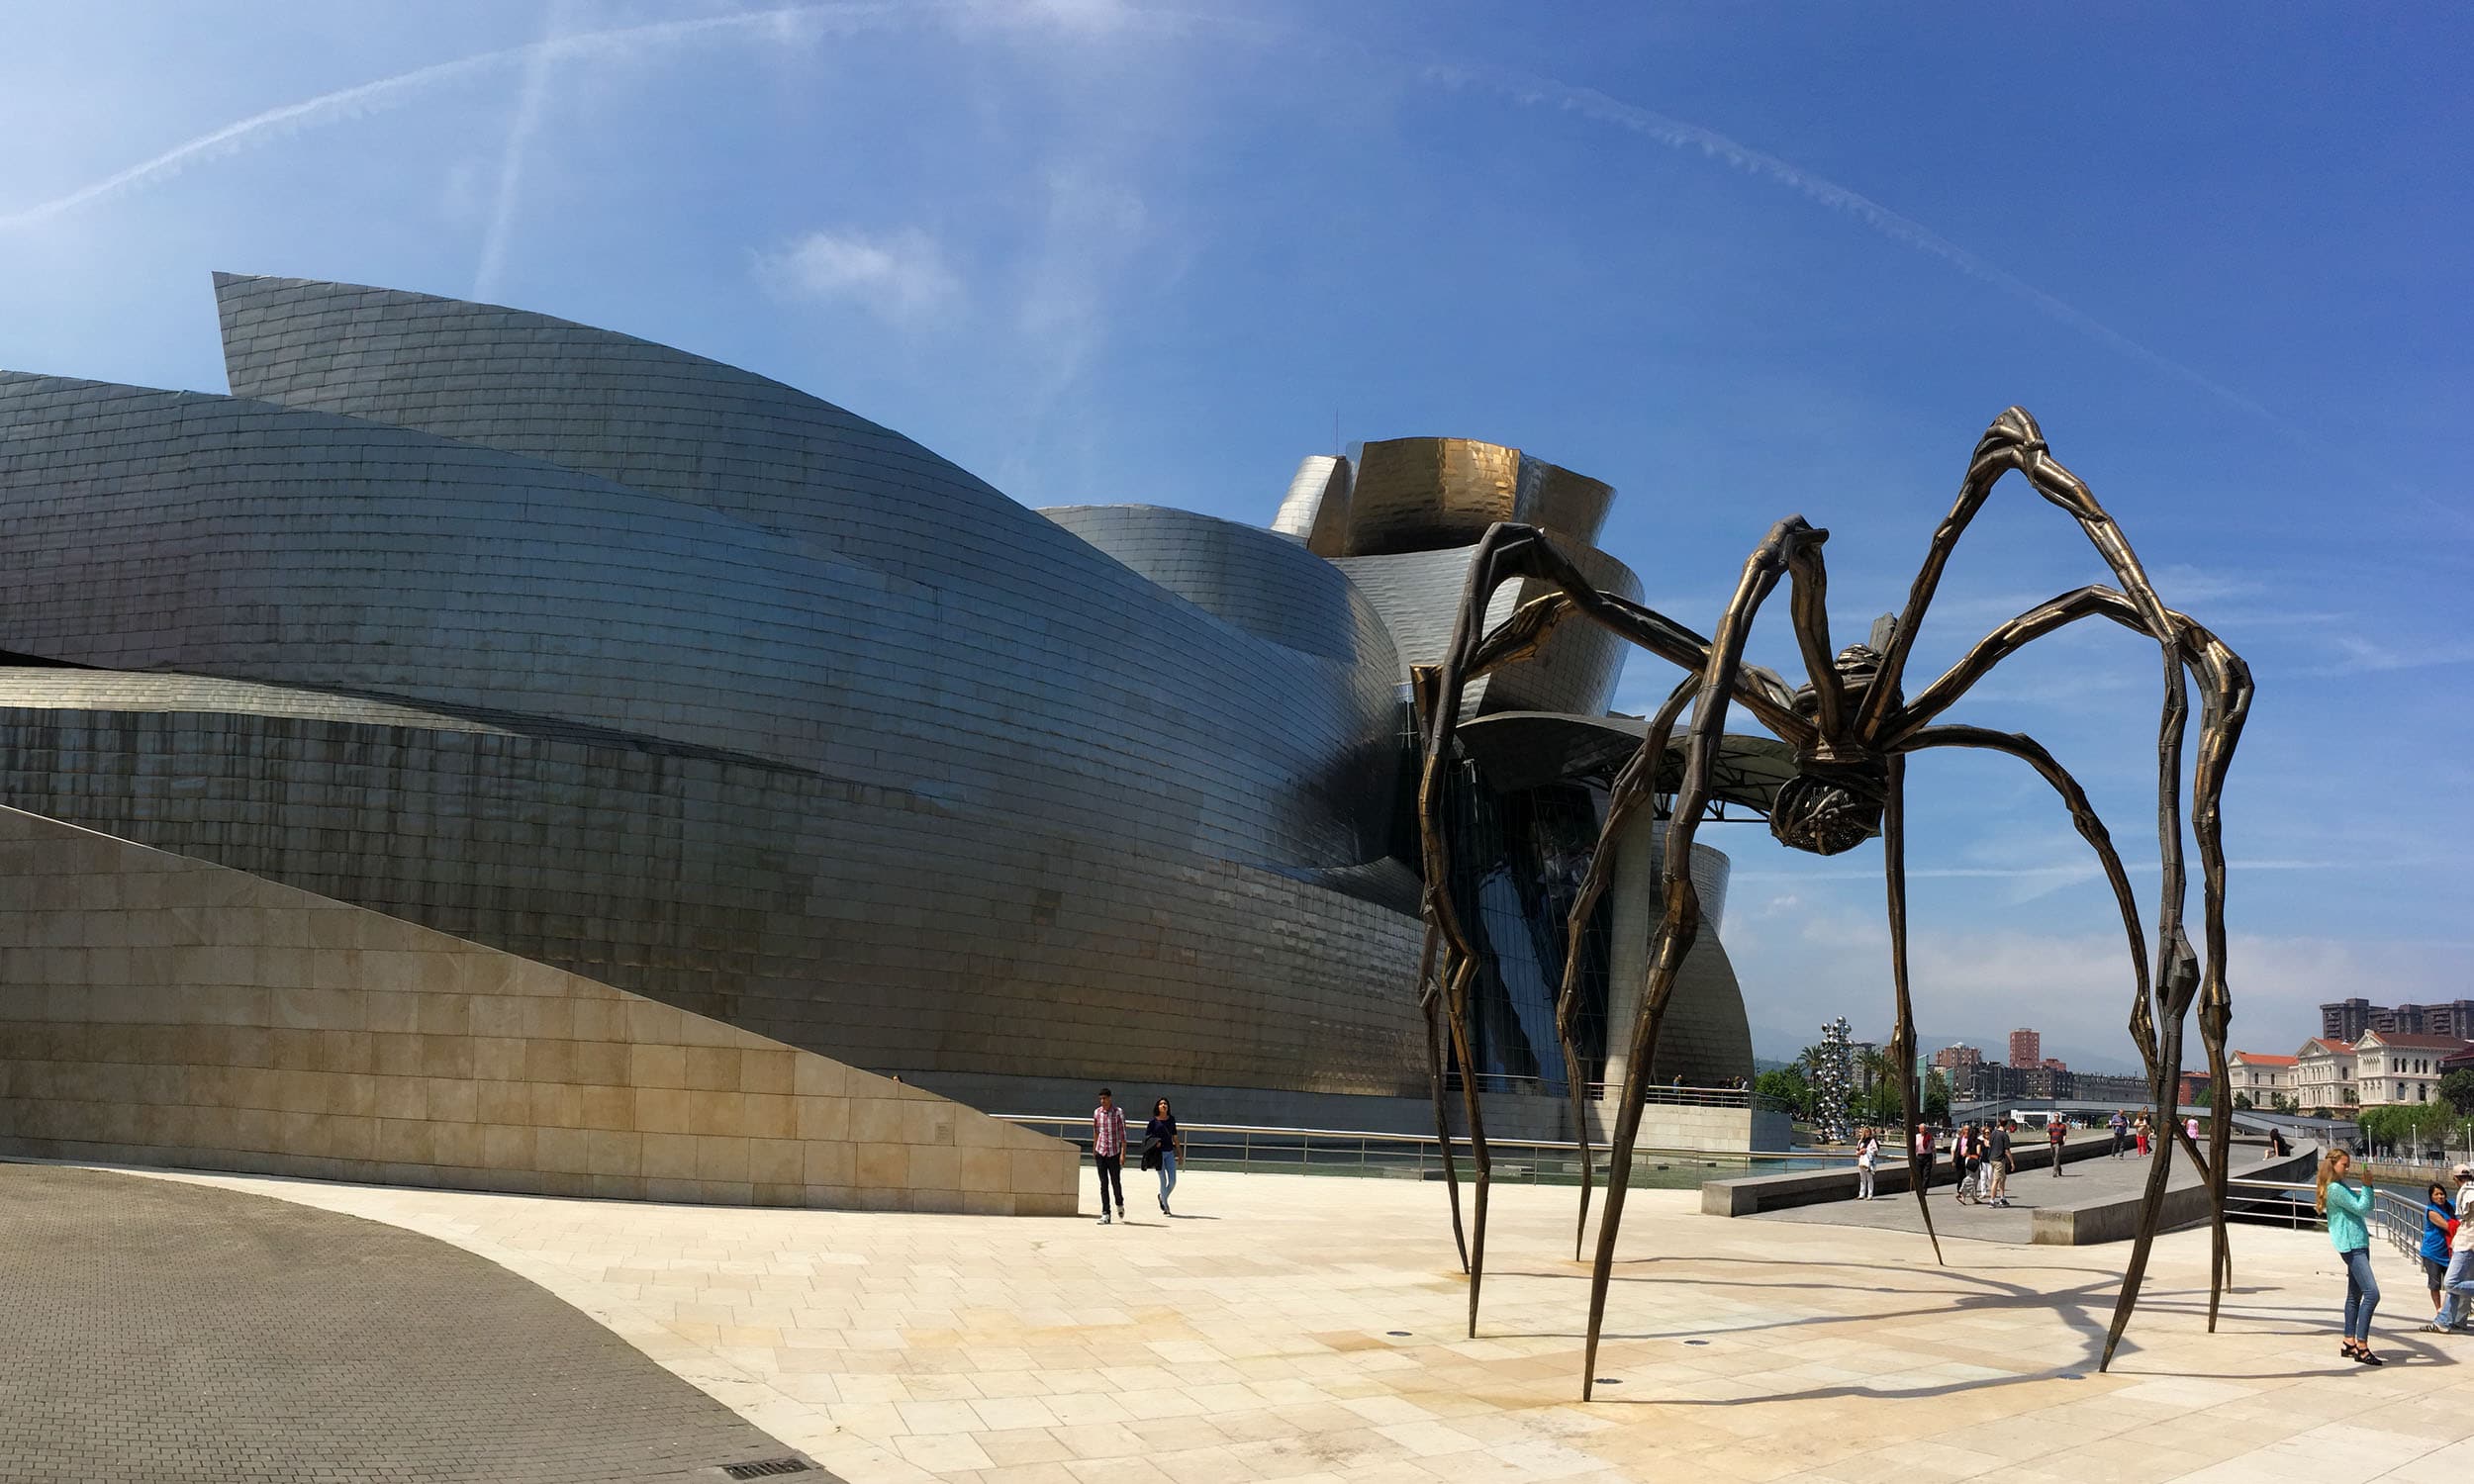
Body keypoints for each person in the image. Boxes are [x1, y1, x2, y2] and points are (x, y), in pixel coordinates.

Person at [2316, 1148, 2381, 1363]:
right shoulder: (2335, 1189)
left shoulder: (2338, 1186)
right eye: (2344, 1164)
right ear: (2333, 1165)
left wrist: (2366, 1188)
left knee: (2355, 1295)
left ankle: (2349, 1341)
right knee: (2372, 1293)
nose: (2347, 1168)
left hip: (2356, 1243)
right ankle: (2362, 1345)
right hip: (2352, 1245)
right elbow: (2363, 1207)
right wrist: (2367, 1185)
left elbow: (2362, 1207)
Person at [2436, 1162, 2474, 1332]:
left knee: (2451, 1282)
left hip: (2466, 1243)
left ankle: (2446, 1321)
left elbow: (2470, 1201)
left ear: (2454, 1179)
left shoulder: (2467, 1192)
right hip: (2466, 1242)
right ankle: (2450, 1320)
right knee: (2462, 1281)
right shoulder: (2469, 1189)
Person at [2415, 1179, 2456, 1331]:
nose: (2440, 1197)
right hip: (2432, 1252)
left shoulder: (2451, 1206)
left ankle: (2447, 1312)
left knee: (2451, 1283)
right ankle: (2439, 1310)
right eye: (2436, 1194)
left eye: (2442, 1194)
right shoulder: (2431, 1211)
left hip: (2448, 1252)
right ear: (2431, 1197)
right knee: (2435, 1284)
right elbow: (2447, 1226)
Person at [1091, 1087, 1127, 1225]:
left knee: (1115, 1182)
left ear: (1110, 1098)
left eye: (1104, 1098)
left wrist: (1123, 1154)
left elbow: (1123, 1135)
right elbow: (1096, 1131)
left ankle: (1119, 1202)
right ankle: (1106, 1213)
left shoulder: (1118, 1112)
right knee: (1103, 1183)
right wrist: (1094, 1148)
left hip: (1114, 1152)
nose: (1102, 1101)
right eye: (1100, 1099)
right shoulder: (1097, 1112)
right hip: (1101, 1151)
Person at [1143, 1096, 1183, 1216]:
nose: (1163, 1105)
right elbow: (1147, 1139)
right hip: (1158, 1155)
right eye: (1161, 1103)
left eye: (1165, 1103)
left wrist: (1180, 1154)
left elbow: (1175, 1137)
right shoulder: (1153, 1123)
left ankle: (1161, 1196)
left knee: (1172, 1182)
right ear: (1158, 1107)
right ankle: (1166, 1207)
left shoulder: (1171, 1120)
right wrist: (1155, 1143)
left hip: (1169, 1153)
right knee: (1163, 1180)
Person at [1984, 1120, 2014, 1207]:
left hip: (1992, 1159)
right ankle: (1992, 1201)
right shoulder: (2004, 1135)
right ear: (2006, 1124)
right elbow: (2007, 1150)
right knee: (1996, 1180)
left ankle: (2002, 1198)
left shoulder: (1993, 1133)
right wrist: (2012, 1162)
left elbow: (1989, 1144)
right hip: (1999, 1160)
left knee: (2003, 1177)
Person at [1855, 1127, 1879, 1201]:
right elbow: (1857, 1151)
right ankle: (1861, 1194)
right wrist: (1859, 1152)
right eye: (1865, 1132)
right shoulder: (1860, 1141)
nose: (1866, 1133)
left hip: (1868, 1161)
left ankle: (1870, 1195)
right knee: (1862, 1178)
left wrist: (1866, 1150)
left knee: (1869, 1178)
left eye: (1868, 1132)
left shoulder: (1872, 1141)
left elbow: (1876, 1150)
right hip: (1861, 1160)